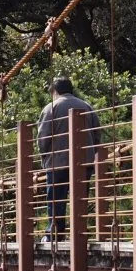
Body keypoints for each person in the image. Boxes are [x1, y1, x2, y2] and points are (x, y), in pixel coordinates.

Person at [36, 76, 102, 245]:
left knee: (56, 199)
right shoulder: (87, 106)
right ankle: (79, 232)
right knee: (80, 198)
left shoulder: (51, 107)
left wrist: (45, 158)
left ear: (55, 91)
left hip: (58, 162)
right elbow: (97, 134)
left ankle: (55, 234)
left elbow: (43, 138)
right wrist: (90, 154)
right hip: (83, 162)